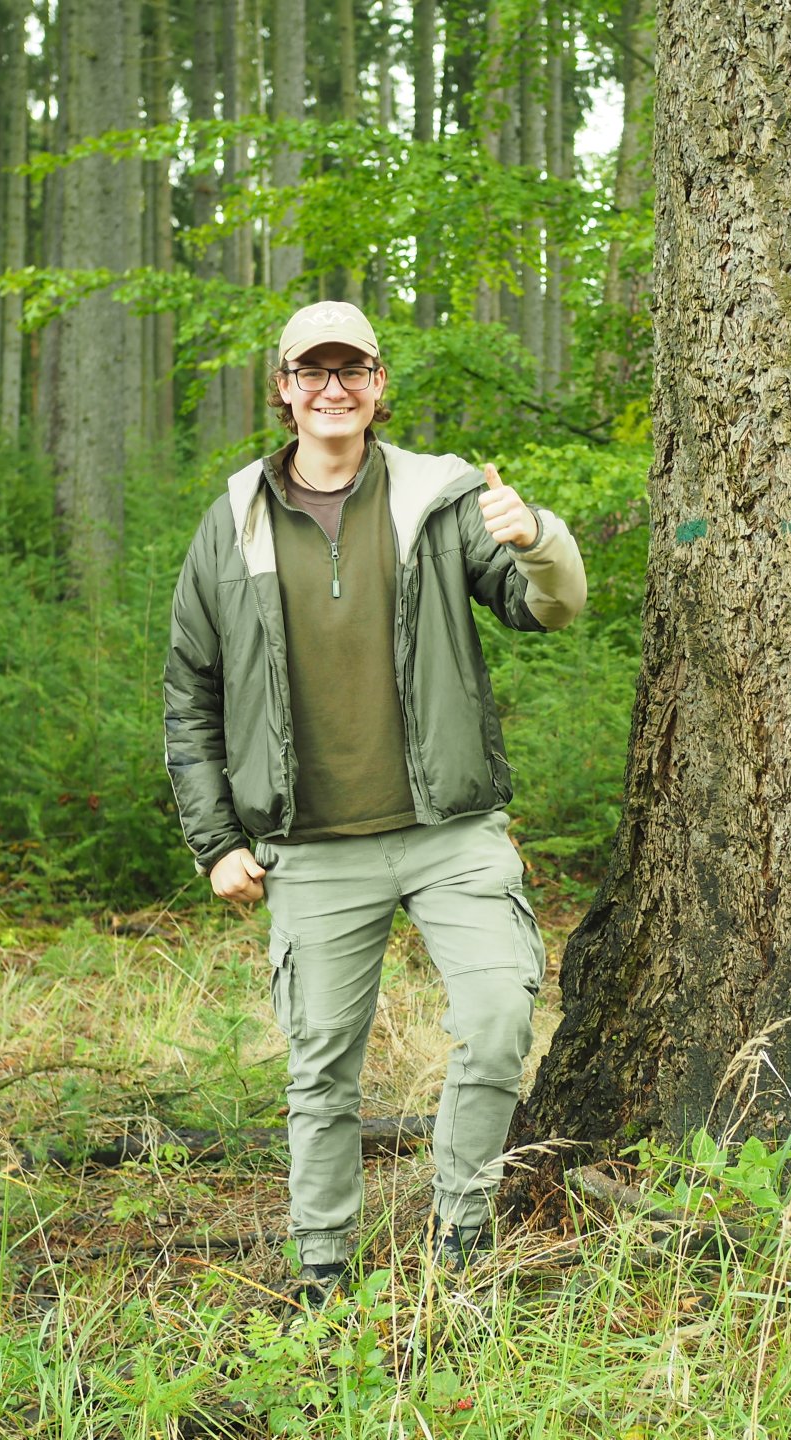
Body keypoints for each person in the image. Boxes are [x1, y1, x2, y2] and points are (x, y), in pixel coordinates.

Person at [163, 301, 587, 1306]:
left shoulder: (440, 499)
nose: (332, 389)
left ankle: (460, 1240)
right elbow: (191, 692)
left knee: (497, 1021)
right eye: (312, 372)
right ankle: (322, 1272)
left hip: (451, 831)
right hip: (311, 847)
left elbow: (549, 606)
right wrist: (215, 840)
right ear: (283, 389)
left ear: (378, 384)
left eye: (351, 369)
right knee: (321, 1069)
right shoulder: (232, 522)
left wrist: (538, 537)